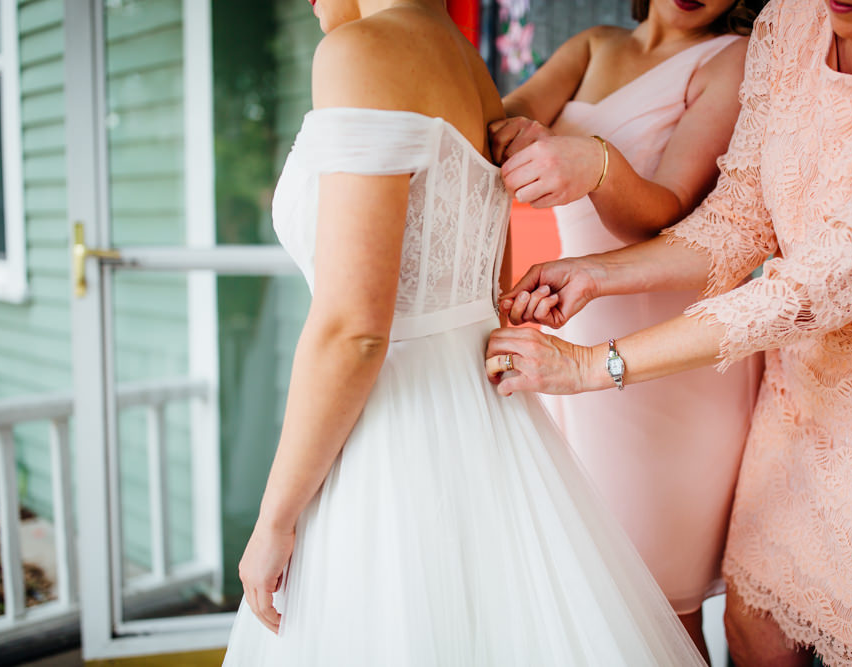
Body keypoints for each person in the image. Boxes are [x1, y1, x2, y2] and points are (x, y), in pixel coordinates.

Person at [485, 0, 852, 664]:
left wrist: (592, 366)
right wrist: (593, 273)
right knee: (752, 635)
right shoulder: (796, 18)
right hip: (800, 390)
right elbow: (737, 217)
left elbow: (807, 288)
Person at [222, 0, 707, 664]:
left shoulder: (360, 52)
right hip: (482, 415)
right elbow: (490, 283)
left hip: (388, 434)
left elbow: (356, 330)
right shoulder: (467, 65)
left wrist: (273, 521)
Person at [487, 1, 762, 657]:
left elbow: (662, 209)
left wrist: (597, 162)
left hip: (668, 358)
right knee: (581, 587)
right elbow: (495, 122)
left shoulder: (732, 60)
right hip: (570, 326)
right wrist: (515, 132)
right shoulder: (592, 45)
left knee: (658, 598)